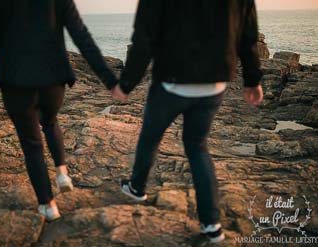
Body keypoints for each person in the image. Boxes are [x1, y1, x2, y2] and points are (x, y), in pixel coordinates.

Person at [112, 0, 264, 243]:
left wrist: (127, 83)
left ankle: (137, 188)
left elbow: (144, 37)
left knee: (151, 136)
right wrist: (253, 80)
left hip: (172, 83)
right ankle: (212, 224)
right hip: (214, 83)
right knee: (197, 146)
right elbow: (248, 35)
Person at [0, 0, 117, 221]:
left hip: (16, 83)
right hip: (53, 81)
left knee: (32, 143)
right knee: (51, 121)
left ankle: (48, 205)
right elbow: (82, 38)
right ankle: (62, 173)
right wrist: (110, 81)